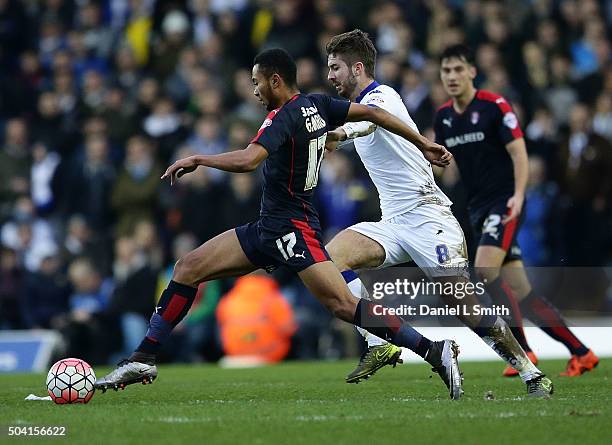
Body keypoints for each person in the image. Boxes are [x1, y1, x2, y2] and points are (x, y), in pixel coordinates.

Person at [95, 48, 465, 399]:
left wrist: (199, 159)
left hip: (293, 229)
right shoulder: (318, 105)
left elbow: (249, 160)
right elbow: (374, 114)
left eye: (257, 82)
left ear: (275, 80)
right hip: (267, 227)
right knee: (187, 267)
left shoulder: (283, 116)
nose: (254, 91)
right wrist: (423, 143)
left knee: (342, 305)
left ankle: (434, 350)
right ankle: (143, 359)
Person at [322, 30, 552, 397]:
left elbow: (370, 121)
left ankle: (530, 372)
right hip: (395, 223)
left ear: (358, 67)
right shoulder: (359, 105)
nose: (330, 75)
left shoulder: (382, 97)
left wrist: (337, 135)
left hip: (429, 218)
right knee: (329, 259)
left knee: (461, 302)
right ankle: (376, 339)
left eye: (335, 67)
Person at [434, 44, 598, 377]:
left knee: (484, 271)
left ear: (471, 72)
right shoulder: (444, 118)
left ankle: (524, 352)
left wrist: (519, 196)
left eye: (457, 69)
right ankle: (582, 352)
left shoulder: (494, 106)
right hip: (477, 208)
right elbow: (447, 166)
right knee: (522, 292)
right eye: (446, 71)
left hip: (503, 203)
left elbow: (519, 152)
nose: (452, 76)